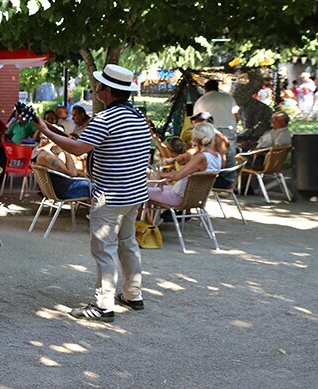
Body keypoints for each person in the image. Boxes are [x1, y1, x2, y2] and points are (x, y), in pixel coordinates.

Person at [34, 64, 152, 322]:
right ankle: (133, 294)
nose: (95, 89)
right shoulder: (137, 117)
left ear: (107, 90)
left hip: (111, 194)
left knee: (104, 248)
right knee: (128, 243)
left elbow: (78, 148)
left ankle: (103, 305)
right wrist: (51, 131)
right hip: (134, 193)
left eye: (98, 86)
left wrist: (45, 131)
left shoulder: (105, 118)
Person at [147, 122, 223, 215]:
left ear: (195, 138)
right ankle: (149, 221)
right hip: (195, 197)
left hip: (179, 197)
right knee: (152, 188)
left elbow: (176, 176)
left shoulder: (201, 157)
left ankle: (146, 222)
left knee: (139, 192)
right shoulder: (218, 157)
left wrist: (161, 175)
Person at [194, 79, 239, 180]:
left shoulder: (201, 100)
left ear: (205, 89)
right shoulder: (228, 97)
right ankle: (230, 181)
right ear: (217, 87)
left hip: (210, 131)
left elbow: (197, 118)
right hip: (228, 129)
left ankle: (212, 180)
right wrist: (233, 124)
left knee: (212, 157)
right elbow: (236, 114)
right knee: (230, 159)